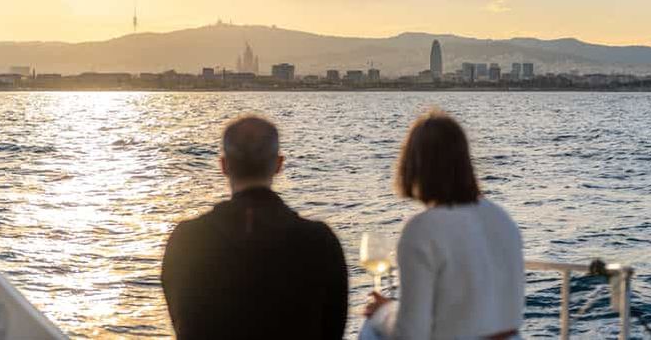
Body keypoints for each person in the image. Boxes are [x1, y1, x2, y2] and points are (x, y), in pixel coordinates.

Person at [162, 115, 348, 340]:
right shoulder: (319, 241)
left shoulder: (187, 240)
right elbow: (333, 329)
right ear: (279, 164)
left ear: (224, 165)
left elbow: (182, 321)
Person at [361, 111, 525, 340]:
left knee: (370, 330)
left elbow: (411, 335)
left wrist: (381, 314)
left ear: (412, 166)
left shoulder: (421, 230)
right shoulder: (501, 219)